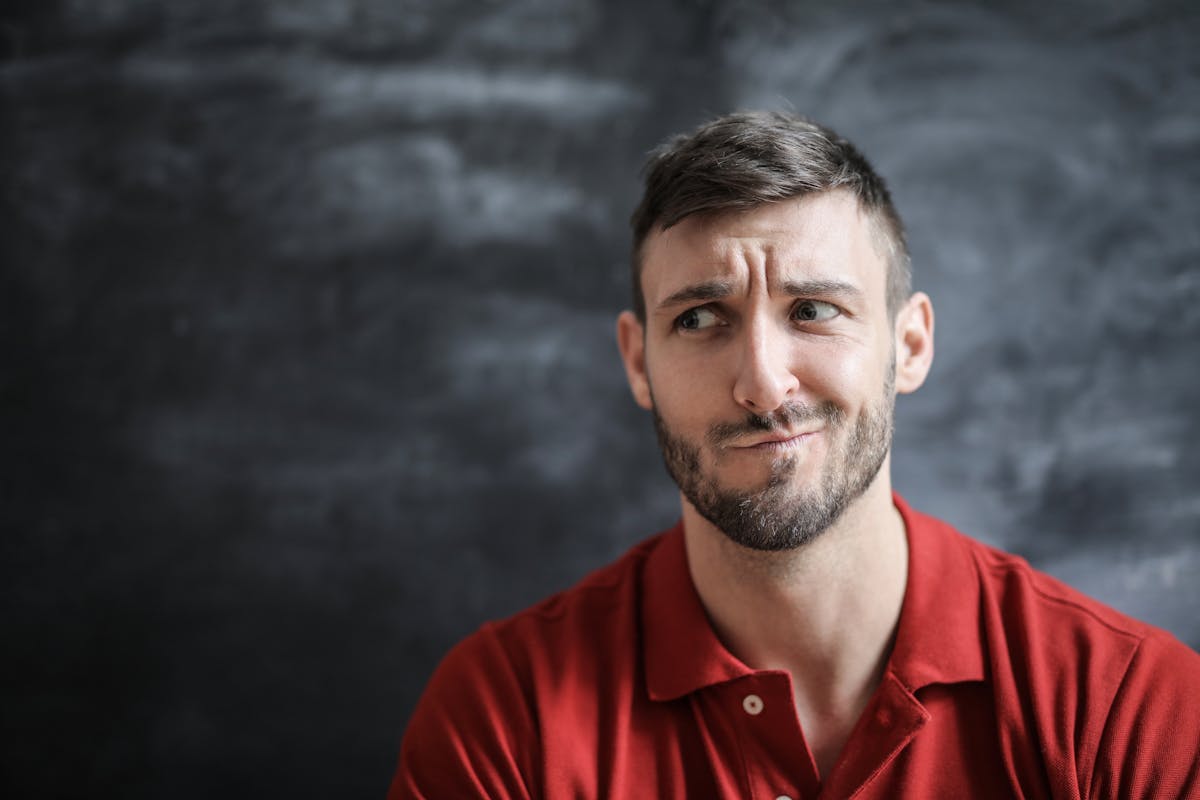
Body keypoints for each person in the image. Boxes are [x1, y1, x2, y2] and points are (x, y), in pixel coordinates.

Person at [388, 111, 1200, 799]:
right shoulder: (506, 717)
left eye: (813, 309)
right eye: (701, 319)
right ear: (638, 363)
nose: (764, 386)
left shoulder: (1129, 711)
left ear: (910, 345)